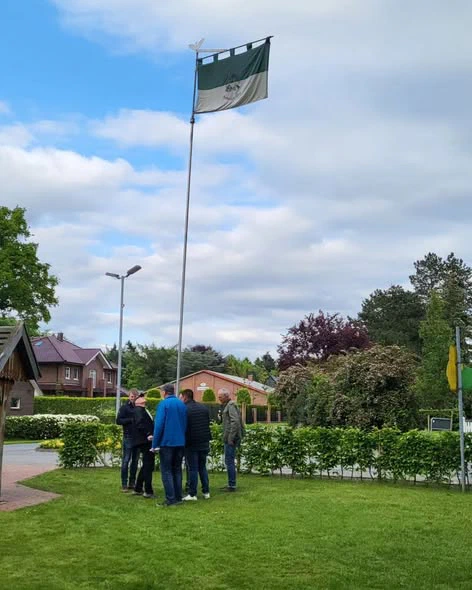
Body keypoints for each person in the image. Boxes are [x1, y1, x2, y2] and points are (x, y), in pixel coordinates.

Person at [151, 383, 187, 507]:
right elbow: (185, 423)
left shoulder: (164, 404)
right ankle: (178, 497)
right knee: (177, 469)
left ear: (164, 392)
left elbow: (159, 425)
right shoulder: (181, 404)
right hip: (180, 441)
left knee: (166, 471)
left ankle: (170, 499)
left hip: (167, 442)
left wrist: (155, 444)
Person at [181, 389, 211, 501]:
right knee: (202, 467)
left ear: (185, 397)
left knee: (192, 468)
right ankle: (206, 491)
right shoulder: (203, 408)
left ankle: (192, 493)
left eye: (181, 397)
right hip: (204, 441)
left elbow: (184, 426)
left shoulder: (185, 409)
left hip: (191, 442)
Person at [218, 387, 244, 492]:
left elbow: (235, 421)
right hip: (228, 437)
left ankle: (232, 485)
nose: (219, 399)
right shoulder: (227, 405)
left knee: (229, 461)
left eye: (220, 397)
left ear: (226, 396)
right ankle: (231, 483)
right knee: (229, 461)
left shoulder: (231, 405)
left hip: (230, 438)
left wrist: (231, 437)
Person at [131, 394, 155, 498]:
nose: (143, 397)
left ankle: (138, 488)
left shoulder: (142, 410)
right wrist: (148, 434)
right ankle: (148, 490)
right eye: (140, 396)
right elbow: (140, 423)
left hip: (145, 440)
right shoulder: (138, 410)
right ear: (137, 402)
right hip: (145, 440)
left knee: (147, 464)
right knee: (148, 465)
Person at [116, 388, 139, 492]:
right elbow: (118, 420)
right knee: (126, 460)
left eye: (135, 397)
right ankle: (124, 483)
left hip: (137, 437)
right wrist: (130, 420)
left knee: (135, 461)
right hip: (128, 436)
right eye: (132, 396)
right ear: (129, 397)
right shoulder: (124, 407)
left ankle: (132, 483)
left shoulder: (139, 407)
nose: (133, 398)